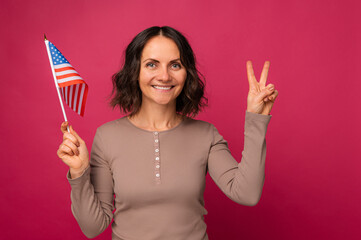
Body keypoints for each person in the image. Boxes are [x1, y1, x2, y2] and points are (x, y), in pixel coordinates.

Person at [57, 26, 279, 240]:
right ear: (135, 71)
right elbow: (93, 227)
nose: (164, 76)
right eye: (152, 64)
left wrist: (256, 120)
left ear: (186, 73)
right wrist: (79, 172)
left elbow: (247, 194)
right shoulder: (107, 137)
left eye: (175, 65)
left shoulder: (206, 135)